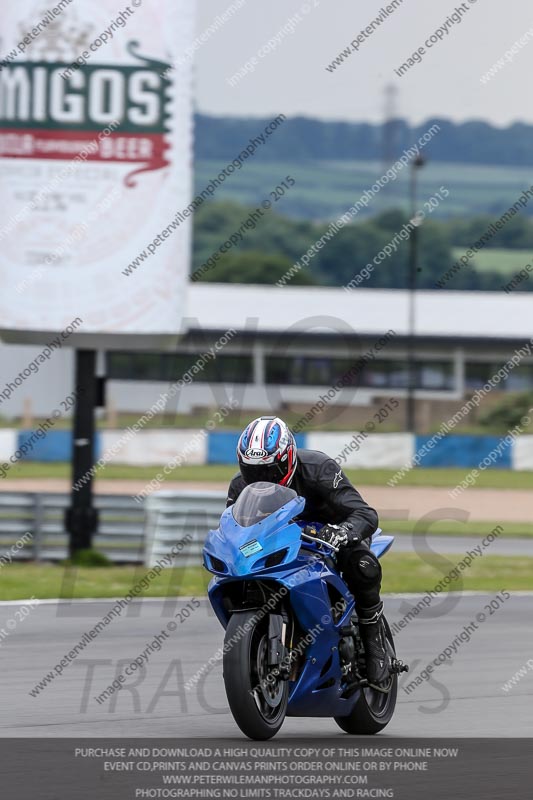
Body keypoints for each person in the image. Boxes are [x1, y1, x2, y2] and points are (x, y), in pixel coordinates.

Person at [225, 415, 389, 684]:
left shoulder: (319, 468)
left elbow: (364, 513)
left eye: (269, 470)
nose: (261, 478)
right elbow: (236, 528)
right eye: (252, 470)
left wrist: (342, 532)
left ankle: (374, 642)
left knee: (360, 563)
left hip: (330, 536)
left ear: (289, 458)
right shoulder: (239, 486)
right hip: (282, 543)